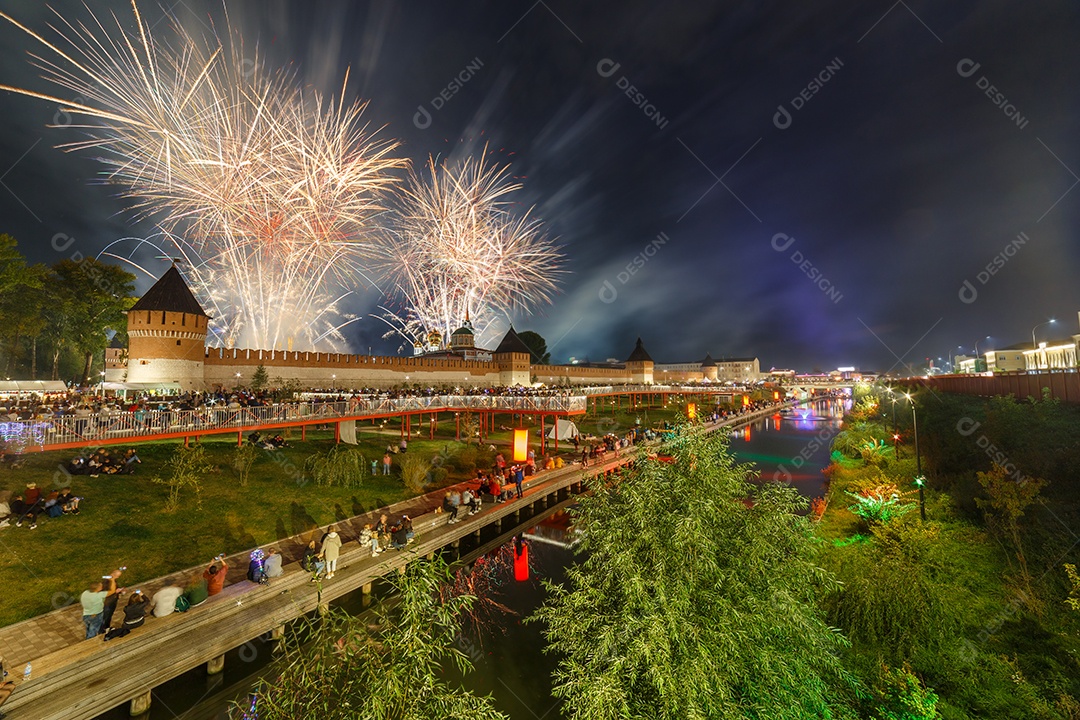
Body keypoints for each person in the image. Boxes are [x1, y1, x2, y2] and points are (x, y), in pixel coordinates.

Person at [80, 571, 120, 639]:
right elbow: (112, 591)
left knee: (88, 629)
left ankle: (87, 639)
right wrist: (112, 580)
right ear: (97, 589)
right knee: (93, 632)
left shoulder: (85, 593)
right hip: (95, 616)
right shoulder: (98, 595)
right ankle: (90, 645)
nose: (101, 587)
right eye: (100, 586)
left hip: (86, 615)